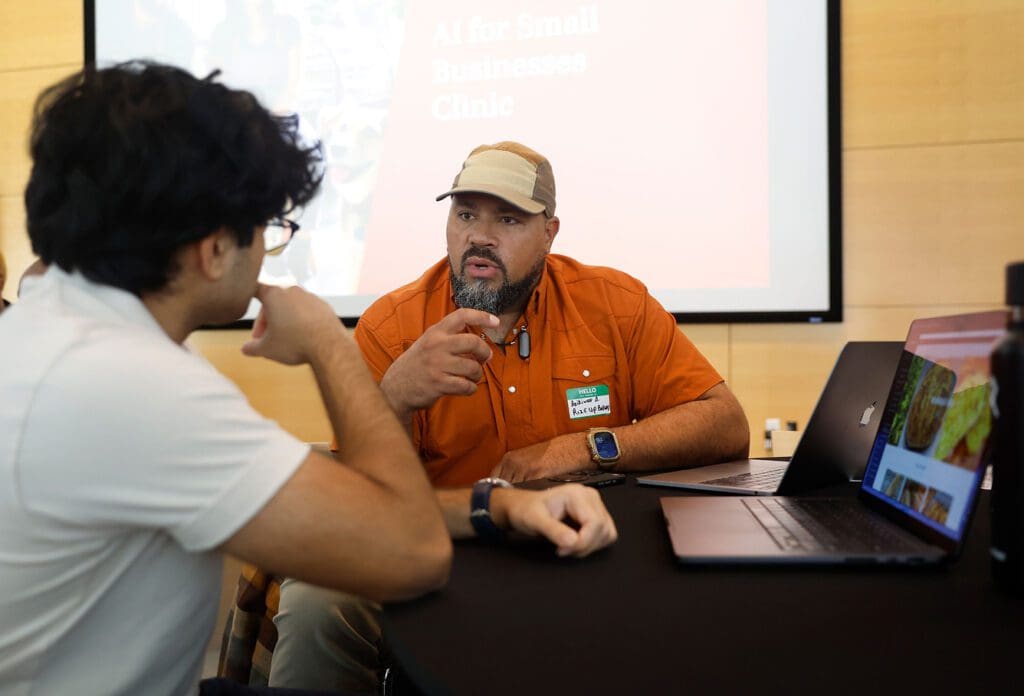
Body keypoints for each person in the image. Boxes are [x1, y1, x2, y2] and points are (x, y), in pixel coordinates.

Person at [0, 64, 613, 696]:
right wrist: (327, 340)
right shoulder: (143, 392)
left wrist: (501, 505)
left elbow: (348, 510)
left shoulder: (49, 336)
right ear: (213, 248)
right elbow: (409, 549)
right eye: (268, 229)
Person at [267, 141, 748, 692]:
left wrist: (587, 447)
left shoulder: (614, 305)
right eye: (465, 213)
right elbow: (361, 505)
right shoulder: (392, 325)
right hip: (443, 544)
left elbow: (725, 424)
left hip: (584, 542)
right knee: (315, 600)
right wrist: (394, 397)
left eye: (509, 218)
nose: (479, 236)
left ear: (550, 232)